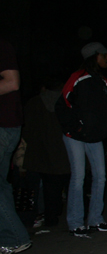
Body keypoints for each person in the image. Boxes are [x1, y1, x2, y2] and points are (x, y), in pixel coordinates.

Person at [55, 42, 107, 237]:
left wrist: (102, 131)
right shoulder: (78, 77)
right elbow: (62, 105)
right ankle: (75, 222)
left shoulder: (103, 81)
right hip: (75, 136)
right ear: (93, 56)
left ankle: (95, 219)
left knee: (100, 177)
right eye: (103, 54)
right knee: (78, 177)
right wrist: (76, 126)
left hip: (94, 137)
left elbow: (103, 112)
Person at [21, 77, 70, 227]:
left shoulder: (34, 103)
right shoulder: (67, 101)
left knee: (47, 187)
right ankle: (75, 215)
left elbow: (27, 130)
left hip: (41, 153)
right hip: (64, 151)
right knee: (68, 184)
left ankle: (48, 217)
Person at [0, 39, 31, 254]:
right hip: (7, 126)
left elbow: (12, 82)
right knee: (1, 185)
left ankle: (15, 237)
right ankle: (12, 239)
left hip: (3, 126)